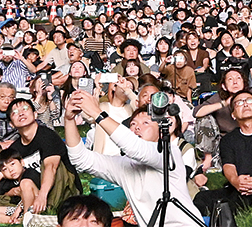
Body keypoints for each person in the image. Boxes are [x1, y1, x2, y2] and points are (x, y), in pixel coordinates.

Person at [63, 90, 203, 227]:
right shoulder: (125, 165)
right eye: (133, 124)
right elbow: (81, 159)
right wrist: (69, 120)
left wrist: (96, 112)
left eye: (146, 123)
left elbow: (134, 147)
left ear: (161, 132)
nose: (137, 128)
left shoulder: (169, 153)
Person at [193, 89, 252, 215]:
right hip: (238, 186)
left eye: (249, 101)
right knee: (201, 198)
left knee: (234, 204)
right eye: (239, 103)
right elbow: (228, 166)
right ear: (233, 115)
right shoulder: (228, 140)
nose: (245, 104)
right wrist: (236, 181)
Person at [7, 97, 80, 214]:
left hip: (62, 190)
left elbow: (51, 167)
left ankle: (32, 213)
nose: (21, 113)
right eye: (15, 112)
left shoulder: (47, 136)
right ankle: (25, 214)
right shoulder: (14, 148)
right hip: (33, 191)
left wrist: (42, 195)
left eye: (25, 109)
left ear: (35, 114)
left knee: (49, 166)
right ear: (11, 124)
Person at [0, 149, 37, 222]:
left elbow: (31, 194)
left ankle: (26, 218)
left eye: (12, 164)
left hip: (34, 206)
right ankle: (17, 221)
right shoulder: (9, 181)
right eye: (5, 169)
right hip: (16, 209)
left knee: (25, 183)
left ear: (22, 162)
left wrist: (18, 210)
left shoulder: (30, 173)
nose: (11, 170)